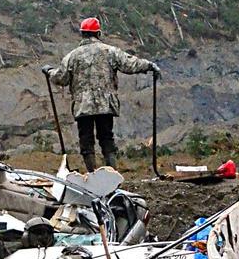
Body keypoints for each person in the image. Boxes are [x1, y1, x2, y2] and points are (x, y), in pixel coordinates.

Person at [43, 18, 159, 172]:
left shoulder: (73, 56)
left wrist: (49, 71)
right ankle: (111, 173)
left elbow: (61, 78)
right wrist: (150, 65)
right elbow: (130, 64)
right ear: (98, 33)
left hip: (83, 106)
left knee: (86, 141)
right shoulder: (110, 51)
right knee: (106, 138)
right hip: (105, 104)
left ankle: (92, 173)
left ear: (82, 34)